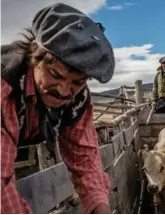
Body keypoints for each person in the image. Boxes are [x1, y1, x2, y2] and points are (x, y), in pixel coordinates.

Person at [1, 3, 115, 214]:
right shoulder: (5, 88)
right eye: (55, 75)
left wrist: (100, 208)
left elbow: (85, 159)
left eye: (76, 82)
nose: (64, 91)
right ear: (35, 54)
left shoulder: (77, 100)